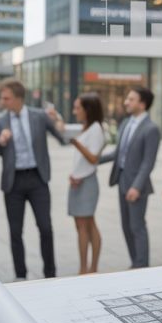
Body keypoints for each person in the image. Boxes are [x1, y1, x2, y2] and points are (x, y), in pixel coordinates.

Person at [0, 79, 67, 279]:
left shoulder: (39, 117)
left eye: (6, 98)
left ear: (18, 98)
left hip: (37, 179)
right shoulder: (0, 122)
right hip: (13, 182)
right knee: (15, 232)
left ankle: (50, 273)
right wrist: (1, 141)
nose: (3, 101)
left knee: (45, 227)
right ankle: (20, 275)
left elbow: (61, 136)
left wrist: (57, 118)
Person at [103, 86, 160, 268]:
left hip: (137, 186)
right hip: (121, 181)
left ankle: (142, 266)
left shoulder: (151, 129)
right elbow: (118, 153)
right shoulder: (126, 123)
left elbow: (147, 163)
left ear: (142, 104)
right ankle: (135, 263)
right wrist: (92, 159)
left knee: (137, 227)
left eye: (131, 99)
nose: (126, 102)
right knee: (126, 227)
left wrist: (136, 187)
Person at [67, 92, 106, 274]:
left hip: (87, 183)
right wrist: (74, 174)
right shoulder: (88, 128)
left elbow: (92, 158)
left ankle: (87, 269)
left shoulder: (96, 128)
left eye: (78, 108)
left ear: (87, 110)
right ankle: (87, 268)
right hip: (78, 181)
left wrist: (76, 144)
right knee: (84, 225)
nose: (75, 111)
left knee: (86, 226)